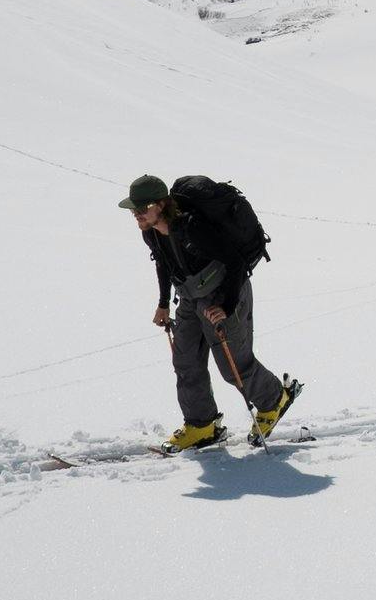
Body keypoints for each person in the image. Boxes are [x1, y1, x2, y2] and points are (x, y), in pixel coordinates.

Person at [121, 174, 298, 450]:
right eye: (134, 210)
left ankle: (275, 400)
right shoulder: (151, 232)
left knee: (234, 366)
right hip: (189, 296)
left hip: (224, 292)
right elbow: (164, 264)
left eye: (142, 209)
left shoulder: (192, 228)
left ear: (161, 205)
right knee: (186, 360)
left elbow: (235, 262)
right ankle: (201, 425)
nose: (137, 215)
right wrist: (164, 302)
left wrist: (226, 306)